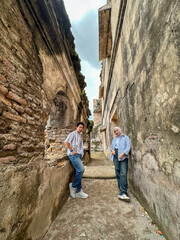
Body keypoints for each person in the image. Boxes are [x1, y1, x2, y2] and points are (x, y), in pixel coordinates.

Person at [64, 122, 88, 199]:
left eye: (82, 128)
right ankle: (73, 186)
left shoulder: (79, 136)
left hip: (78, 156)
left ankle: (79, 191)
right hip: (74, 155)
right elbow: (66, 142)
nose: (81, 129)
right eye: (80, 127)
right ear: (76, 127)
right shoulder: (73, 134)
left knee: (78, 172)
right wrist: (71, 150)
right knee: (81, 170)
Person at [110, 127, 131, 202]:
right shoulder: (114, 139)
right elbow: (111, 147)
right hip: (115, 155)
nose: (116, 132)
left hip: (123, 156)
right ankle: (121, 188)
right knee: (118, 172)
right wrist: (112, 150)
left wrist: (122, 154)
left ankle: (123, 192)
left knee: (123, 173)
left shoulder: (125, 137)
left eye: (117, 130)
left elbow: (128, 147)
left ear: (120, 130)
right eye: (114, 131)